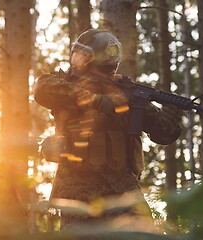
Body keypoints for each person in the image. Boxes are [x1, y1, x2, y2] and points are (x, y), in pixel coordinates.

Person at [33, 29, 183, 236]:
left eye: (82, 55)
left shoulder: (129, 95)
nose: (75, 60)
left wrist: (173, 111)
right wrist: (94, 100)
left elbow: (163, 134)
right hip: (76, 191)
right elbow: (42, 88)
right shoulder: (67, 84)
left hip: (123, 190)